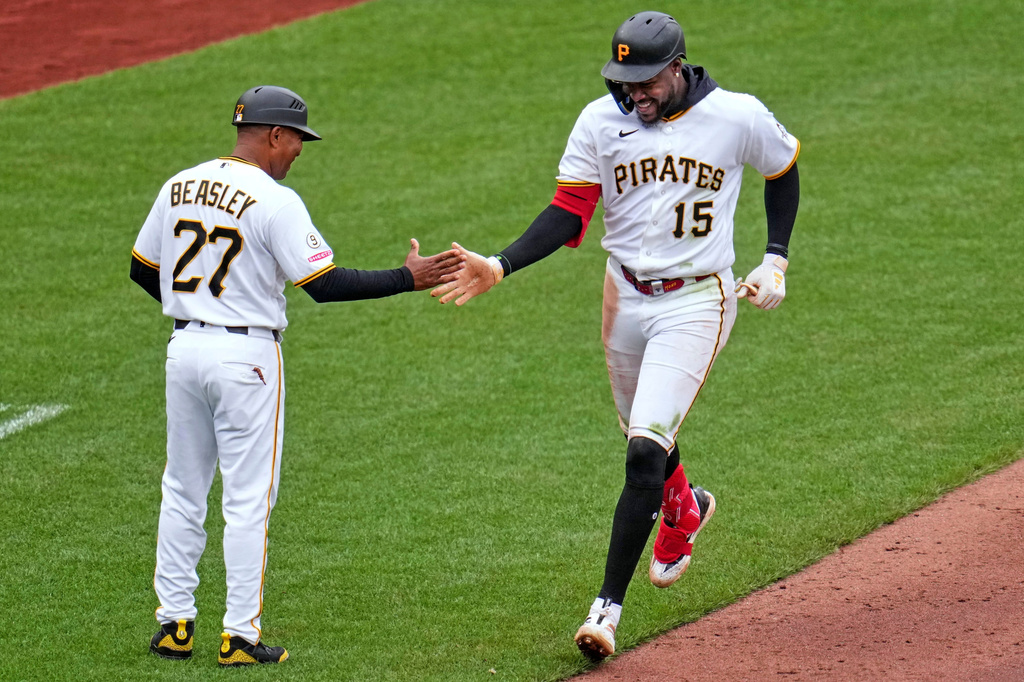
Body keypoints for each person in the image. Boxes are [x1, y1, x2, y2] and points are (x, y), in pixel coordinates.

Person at [432, 11, 799, 661]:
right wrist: (500, 264)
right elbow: (568, 211)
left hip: (697, 301)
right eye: (624, 80)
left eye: (647, 82)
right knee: (640, 436)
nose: (635, 94)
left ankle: (606, 611)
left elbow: (783, 166)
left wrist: (775, 258)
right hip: (623, 295)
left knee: (641, 455)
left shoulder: (737, 116)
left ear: (678, 67)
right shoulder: (601, 123)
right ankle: (685, 506)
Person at [130, 85, 464, 666]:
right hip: (248, 360)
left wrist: (206, 301)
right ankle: (239, 635)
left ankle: (174, 624)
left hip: (183, 350)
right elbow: (324, 285)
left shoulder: (178, 183)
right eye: (298, 140)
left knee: (181, 488)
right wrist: (406, 278)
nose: (300, 151)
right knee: (248, 499)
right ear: (273, 135)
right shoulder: (274, 199)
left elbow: (142, 270)